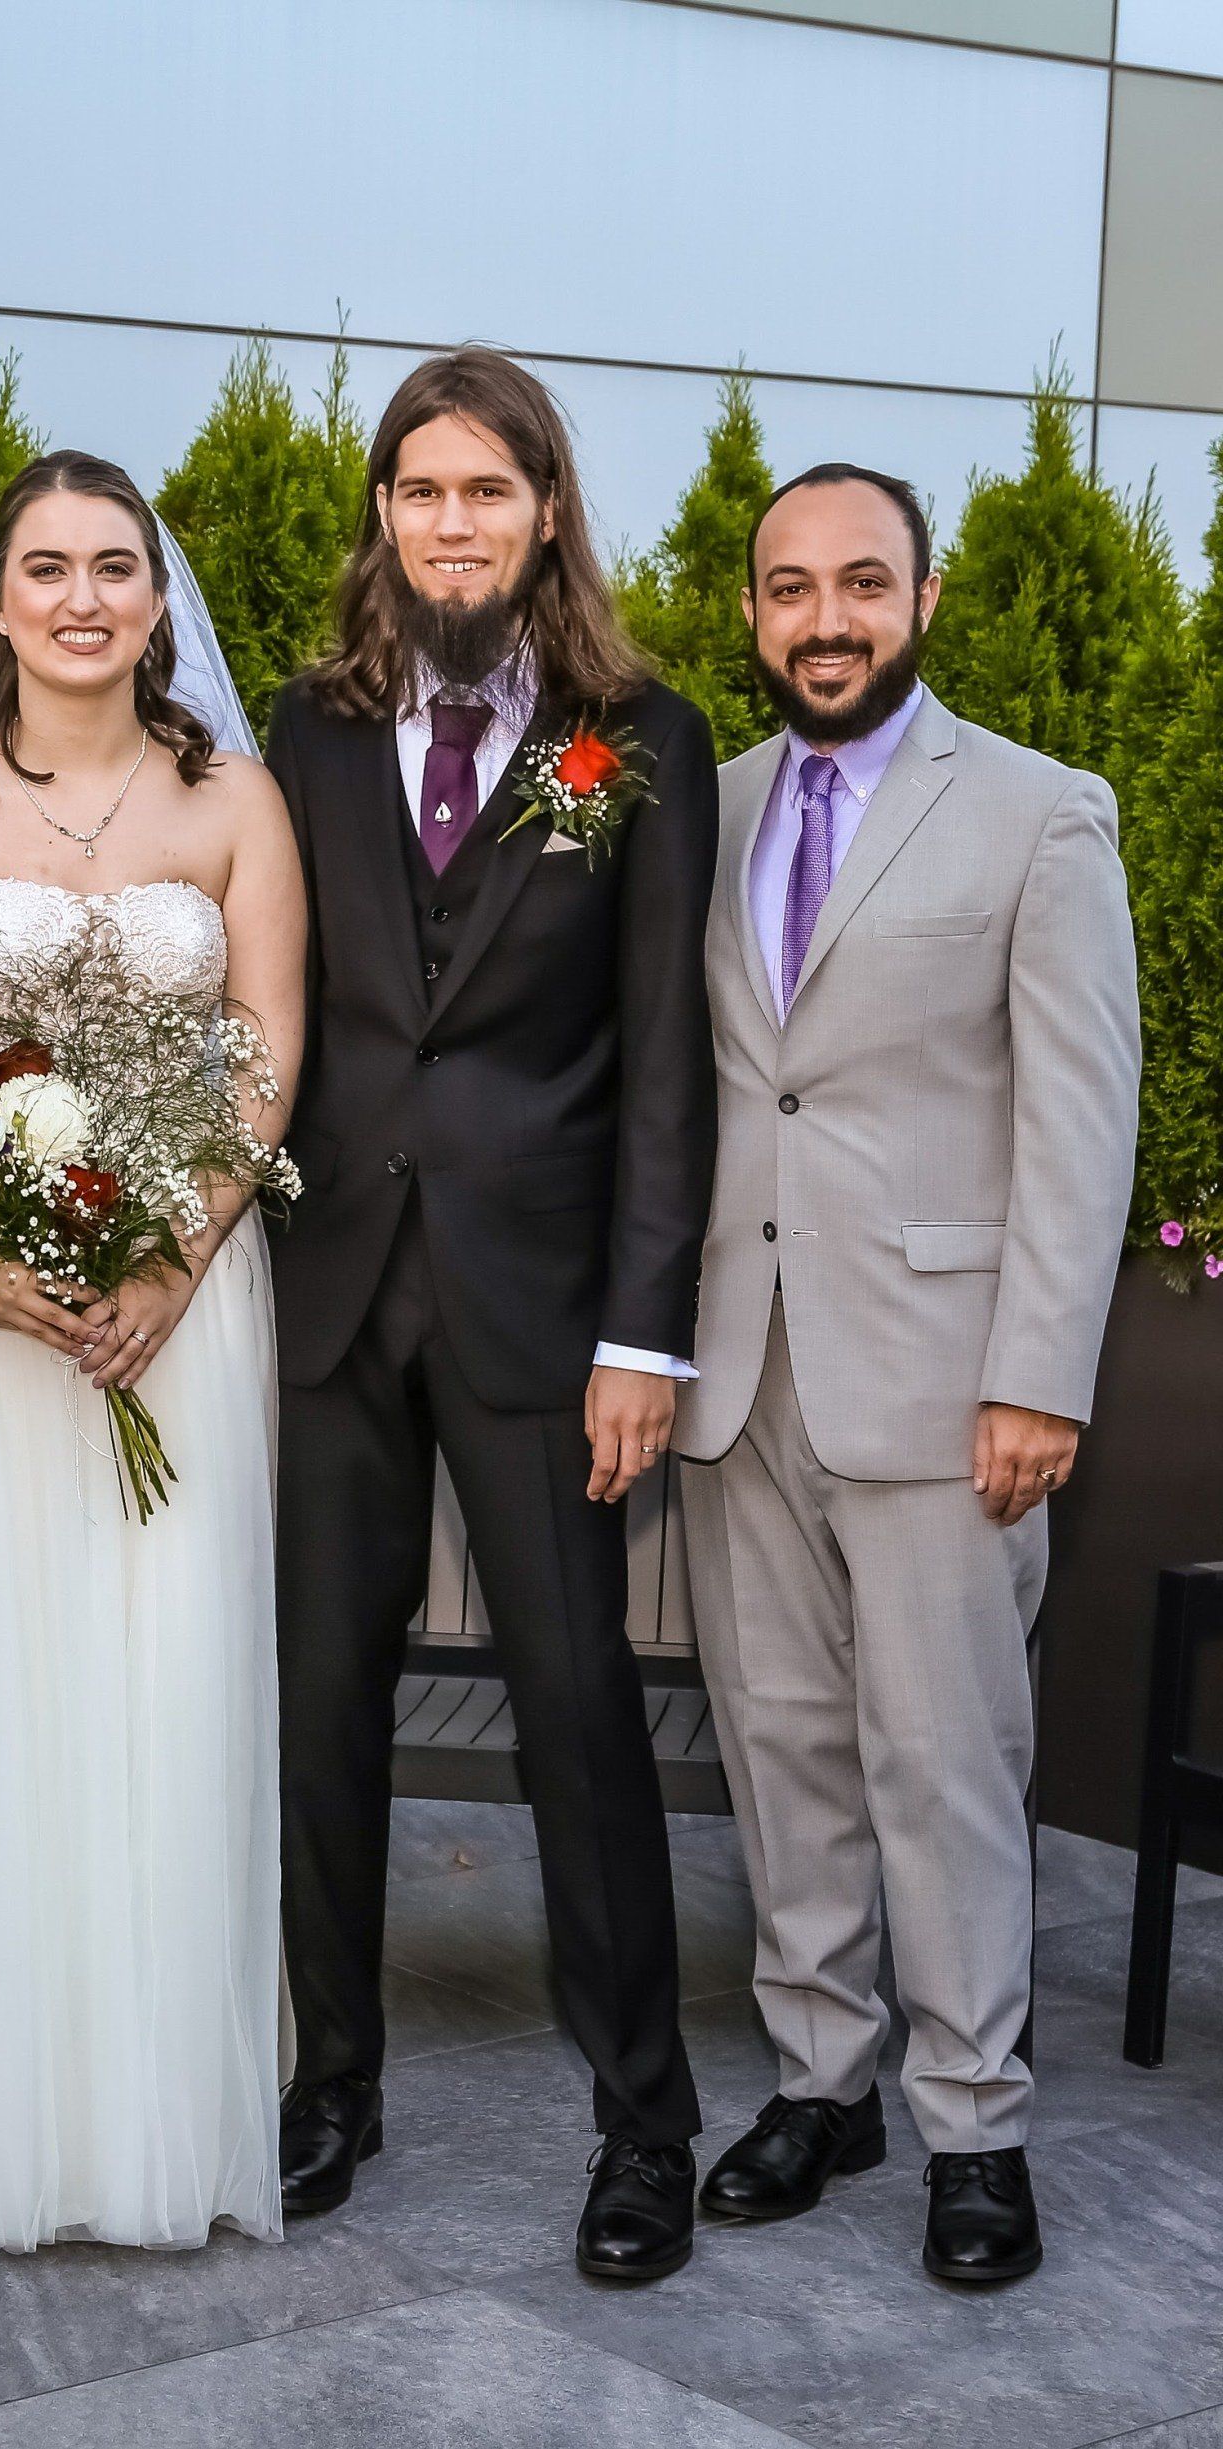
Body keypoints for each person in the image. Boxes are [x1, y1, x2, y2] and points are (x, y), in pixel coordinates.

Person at [266, 350, 718, 2282]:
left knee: (579, 1721)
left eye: (488, 489)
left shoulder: (644, 737)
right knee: (316, 1719)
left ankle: (644, 2128)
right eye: (421, 488)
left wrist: (647, 1332)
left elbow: (669, 1065)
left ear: (546, 513)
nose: (452, 521)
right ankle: (329, 2081)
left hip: (549, 1319)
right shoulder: (302, 733)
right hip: (328, 1301)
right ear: (385, 512)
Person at [677, 465, 1141, 2282]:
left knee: (945, 1757)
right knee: (784, 1746)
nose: (825, 620)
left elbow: (1083, 1120)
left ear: (924, 598)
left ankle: (974, 2119)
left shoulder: (1040, 812)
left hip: (955, 1384)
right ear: (750, 615)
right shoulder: (695, 818)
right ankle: (826, 2076)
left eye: (861, 582)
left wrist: (1044, 1372)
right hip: (743, 1365)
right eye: (790, 589)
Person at [0, 452, 306, 2253]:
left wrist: (179, 1252)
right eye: (48, 567)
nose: (85, 597)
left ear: (159, 598)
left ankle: (147, 2132)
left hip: (175, 1303)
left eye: (117, 566)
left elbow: (268, 1038)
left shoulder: (236, 802)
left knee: (165, 1688)